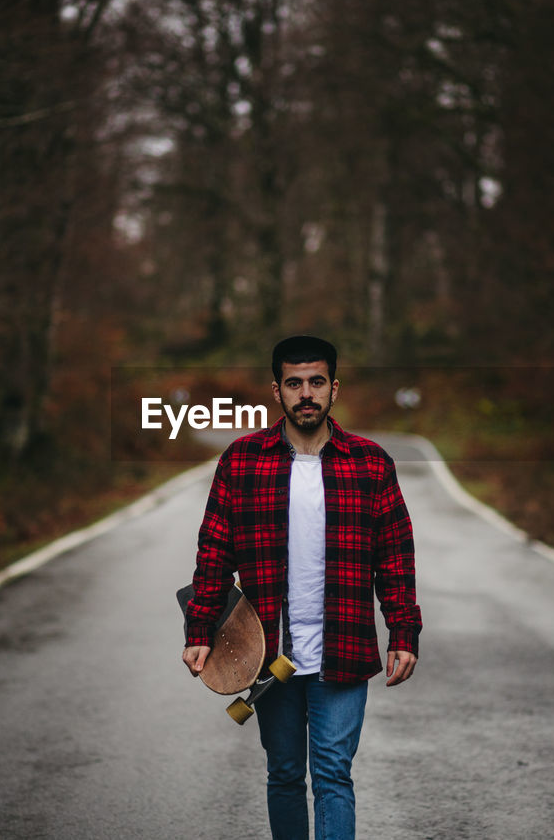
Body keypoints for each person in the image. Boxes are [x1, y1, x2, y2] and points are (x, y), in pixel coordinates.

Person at [182, 335, 422, 840]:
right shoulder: (242, 461)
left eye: (316, 382)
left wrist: (404, 631)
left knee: (334, 775)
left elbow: (395, 556)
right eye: (294, 384)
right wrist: (199, 629)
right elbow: (214, 553)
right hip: (270, 654)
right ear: (277, 391)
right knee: (285, 775)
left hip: (345, 647)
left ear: (334, 388)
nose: (306, 393)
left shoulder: (371, 463)